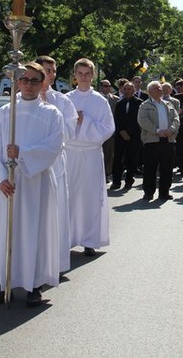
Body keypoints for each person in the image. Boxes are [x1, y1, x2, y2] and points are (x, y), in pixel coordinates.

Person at [0, 62, 65, 307]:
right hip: (7, 184)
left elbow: (54, 146)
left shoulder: (51, 114)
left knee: (34, 232)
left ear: (43, 83)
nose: (29, 85)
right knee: (5, 232)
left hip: (35, 182)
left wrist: (24, 153)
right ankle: (1, 281)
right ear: (17, 82)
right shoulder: (5, 112)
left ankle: (34, 285)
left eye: (34, 80)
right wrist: (0, 179)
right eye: (24, 79)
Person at [65, 58, 115, 256]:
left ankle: (89, 239)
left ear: (93, 76)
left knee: (90, 197)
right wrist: (72, 122)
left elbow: (108, 128)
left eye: (87, 73)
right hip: (69, 153)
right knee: (68, 197)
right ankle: (65, 238)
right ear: (74, 76)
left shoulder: (100, 101)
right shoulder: (66, 99)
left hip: (91, 154)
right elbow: (58, 125)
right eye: (80, 73)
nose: (84, 77)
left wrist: (85, 122)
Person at [35, 55, 78, 273]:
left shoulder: (62, 101)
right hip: (28, 168)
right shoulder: (20, 99)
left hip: (54, 165)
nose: (50, 74)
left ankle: (54, 263)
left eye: (53, 70)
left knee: (55, 214)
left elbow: (70, 132)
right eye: (46, 70)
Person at [137, 81, 180, 200]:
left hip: (168, 140)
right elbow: (143, 121)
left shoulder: (168, 104)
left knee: (167, 167)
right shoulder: (145, 105)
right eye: (157, 88)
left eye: (161, 88)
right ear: (150, 91)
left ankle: (164, 192)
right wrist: (156, 131)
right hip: (152, 141)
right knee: (150, 167)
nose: (160, 89)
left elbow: (176, 119)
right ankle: (149, 192)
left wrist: (171, 130)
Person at [111, 80, 142, 190]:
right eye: (126, 89)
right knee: (118, 159)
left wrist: (131, 133)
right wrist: (122, 131)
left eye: (130, 89)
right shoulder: (119, 103)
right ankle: (116, 181)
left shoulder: (139, 103)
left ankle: (129, 180)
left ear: (134, 90)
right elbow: (116, 119)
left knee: (132, 159)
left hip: (134, 136)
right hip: (120, 135)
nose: (127, 91)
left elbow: (140, 120)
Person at [100, 79, 120, 182]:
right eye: (105, 86)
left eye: (109, 86)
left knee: (109, 153)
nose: (108, 88)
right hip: (98, 131)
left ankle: (107, 174)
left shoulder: (116, 99)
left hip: (110, 131)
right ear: (101, 87)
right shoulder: (96, 98)